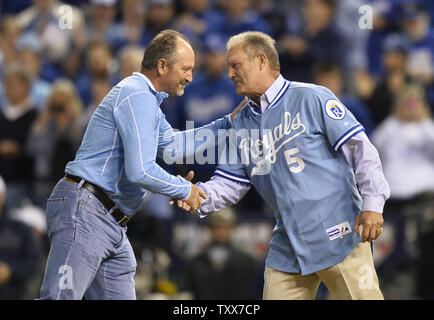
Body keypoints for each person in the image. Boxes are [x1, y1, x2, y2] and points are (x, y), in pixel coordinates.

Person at [174, 31, 390, 300]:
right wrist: (195, 194)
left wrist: (372, 203)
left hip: (340, 232)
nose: (229, 74)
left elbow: (361, 150)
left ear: (261, 60)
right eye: (229, 67)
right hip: (288, 244)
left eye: (236, 65)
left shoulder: (312, 97)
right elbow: (230, 183)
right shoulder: (239, 122)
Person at [38, 29, 243, 300]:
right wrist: (185, 190)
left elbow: (172, 147)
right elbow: (141, 170)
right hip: (87, 210)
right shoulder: (136, 94)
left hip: (111, 219)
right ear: (162, 65)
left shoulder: (146, 101)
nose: (190, 77)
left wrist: (225, 124)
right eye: (186, 69)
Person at [182, 208, 259, 299]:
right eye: (217, 227)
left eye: (225, 228)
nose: (221, 232)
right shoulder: (195, 262)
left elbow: (252, 293)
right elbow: (188, 293)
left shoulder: (247, 261)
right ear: (209, 229)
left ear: (232, 228)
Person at [0, 175, 41, 299]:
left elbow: (33, 264)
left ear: (2, 197)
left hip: (13, 293)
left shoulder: (21, 229)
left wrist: (10, 271)